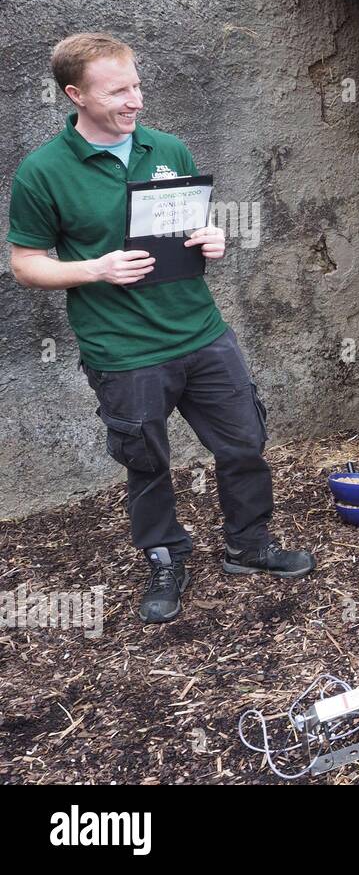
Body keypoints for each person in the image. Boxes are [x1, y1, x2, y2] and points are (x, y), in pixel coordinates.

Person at [6, 32, 315, 625]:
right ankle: (165, 557)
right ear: (75, 95)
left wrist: (214, 239)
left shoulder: (167, 147)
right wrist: (94, 268)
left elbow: (188, 230)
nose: (135, 100)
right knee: (146, 463)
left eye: (137, 85)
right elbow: (25, 263)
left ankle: (248, 547)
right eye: (118, 91)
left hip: (201, 333)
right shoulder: (43, 173)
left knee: (245, 443)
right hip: (123, 351)